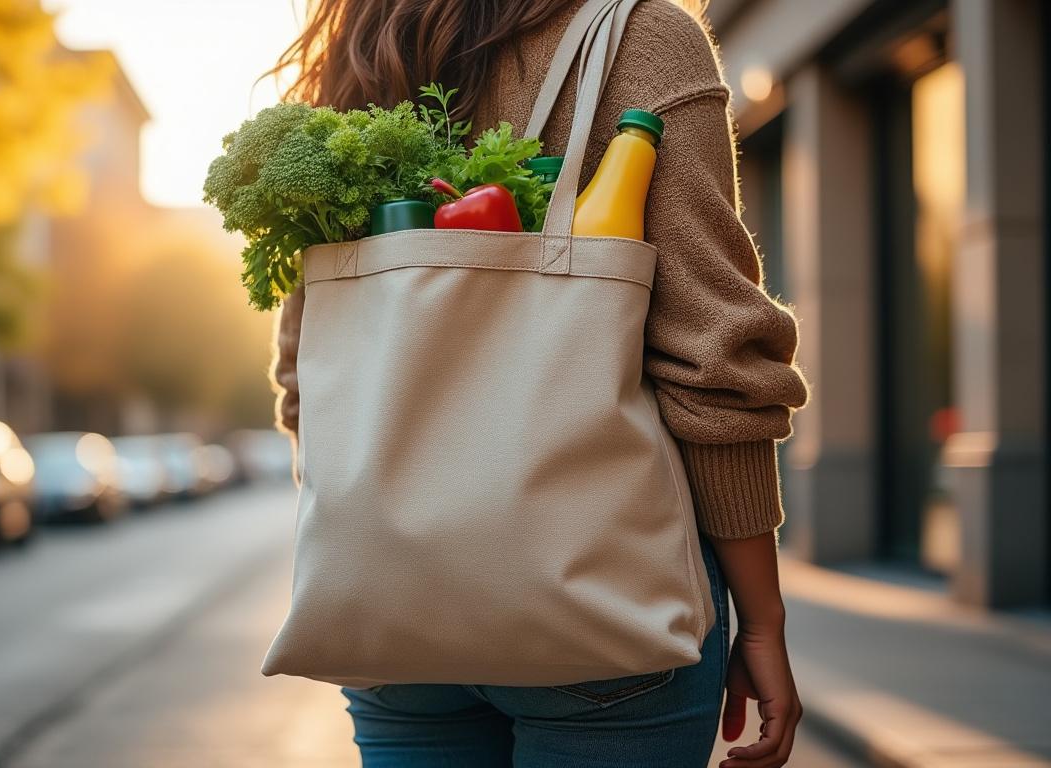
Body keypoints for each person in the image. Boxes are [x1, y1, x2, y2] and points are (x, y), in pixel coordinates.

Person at [267, 0, 811, 765]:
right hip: (602, 609)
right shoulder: (638, 39)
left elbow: (306, 374)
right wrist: (762, 620)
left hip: (393, 625)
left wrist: (390, 524)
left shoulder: (360, 60)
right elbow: (714, 361)